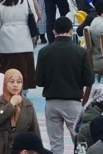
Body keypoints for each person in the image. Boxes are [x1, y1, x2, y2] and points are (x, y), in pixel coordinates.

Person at [35, 17, 93, 154]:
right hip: (73, 102)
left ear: (54, 31)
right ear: (71, 30)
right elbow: (89, 80)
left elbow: (39, 81)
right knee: (79, 143)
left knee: (56, 145)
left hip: (51, 102)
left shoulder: (44, 52)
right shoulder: (81, 52)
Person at [0, 0, 38, 88]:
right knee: (24, 70)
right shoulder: (27, 0)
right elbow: (34, 18)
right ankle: (24, 91)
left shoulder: (0, 1)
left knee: (6, 69)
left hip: (5, 42)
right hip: (24, 40)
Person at [0, 69, 40, 154]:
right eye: (11, 82)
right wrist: (11, 105)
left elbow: (35, 131)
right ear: (5, 83)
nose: (15, 85)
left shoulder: (28, 104)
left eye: (19, 82)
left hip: (21, 148)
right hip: (0, 147)